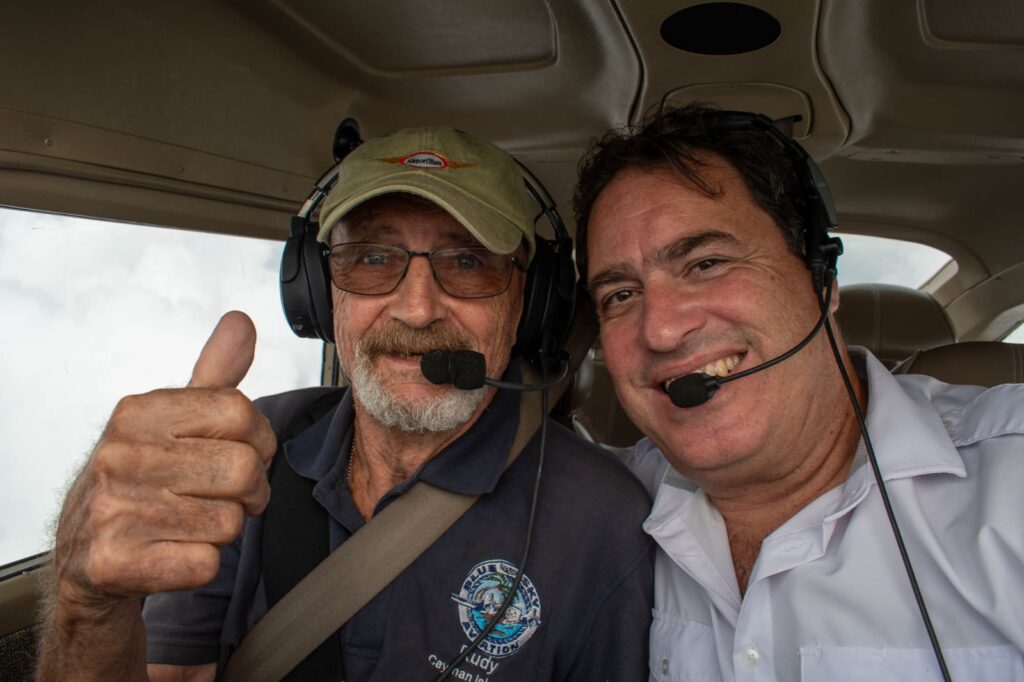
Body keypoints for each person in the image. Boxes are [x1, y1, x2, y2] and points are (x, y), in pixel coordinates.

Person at [37, 127, 654, 681]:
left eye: (467, 262)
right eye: (371, 258)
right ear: (319, 290)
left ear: (527, 303)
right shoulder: (244, 451)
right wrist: (85, 605)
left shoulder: (607, 524)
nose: (416, 309)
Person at [572, 103, 1024, 680]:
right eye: (620, 296)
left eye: (706, 263)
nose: (660, 330)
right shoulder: (592, 513)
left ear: (822, 280)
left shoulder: (1011, 485)